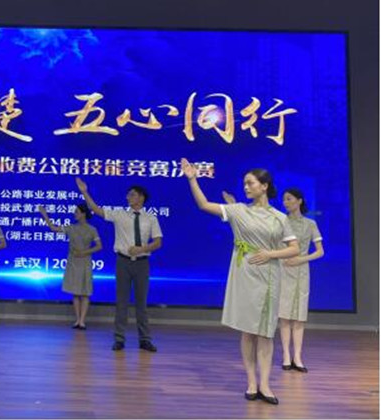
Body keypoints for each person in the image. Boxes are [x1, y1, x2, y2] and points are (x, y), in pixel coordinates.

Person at [181, 158, 299, 405]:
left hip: (269, 275)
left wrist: (270, 254)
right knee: (248, 330)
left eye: (250, 183)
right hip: (244, 273)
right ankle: (251, 382)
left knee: (265, 332)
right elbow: (204, 205)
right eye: (244, 183)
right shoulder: (238, 210)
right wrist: (192, 179)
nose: (246, 187)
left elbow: (294, 249)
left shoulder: (279, 217)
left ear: (264, 186)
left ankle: (265, 384)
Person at [75, 177, 162, 352]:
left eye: (132, 195)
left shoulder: (151, 218)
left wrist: (142, 249)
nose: (128, 197)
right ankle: (119, 339)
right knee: (121, 302)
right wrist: (85, 192)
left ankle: (145, 339)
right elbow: (96, 210)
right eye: (128, 195)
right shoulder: (120, 214)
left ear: (141, 197)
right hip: (123, 262)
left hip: (142, 263)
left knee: (141, 304)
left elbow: (158, 242)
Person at [278, 188, 324, 373]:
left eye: (289, 199)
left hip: (302, 272)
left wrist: (301, 259)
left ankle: (297, 356)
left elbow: (320, 252)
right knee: (284, 316)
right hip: (284, 269)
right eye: (284, 200)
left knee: (299, 317)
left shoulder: (310, 224)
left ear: (299, 201)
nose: (285, 203)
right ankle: (285, 355)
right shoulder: (281, 222)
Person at [38, 203, 102, 329]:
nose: (75, 214)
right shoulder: (71, 228)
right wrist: (44, 215)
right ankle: (77, 320)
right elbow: (53, 228)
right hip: (73, 261)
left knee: (85, 292)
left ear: (83, 214)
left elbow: (99, 246)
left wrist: (84, 252)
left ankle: (82, 321)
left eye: (77, 212)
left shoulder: (92, 229)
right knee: (75, 292)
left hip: (85, 262)